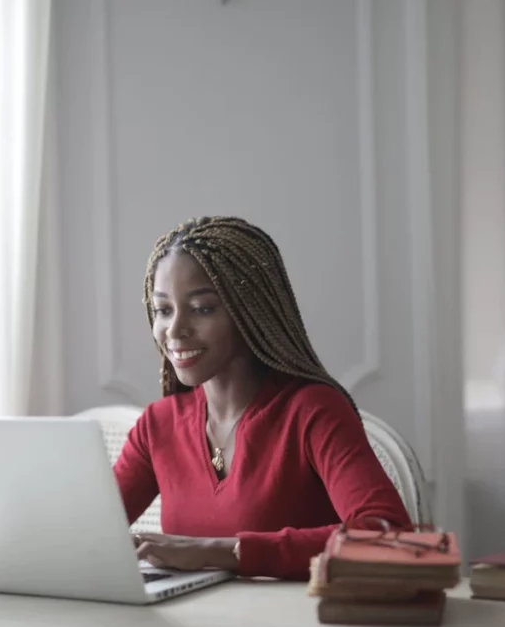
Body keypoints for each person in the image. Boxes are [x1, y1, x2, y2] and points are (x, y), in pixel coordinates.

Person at [113, 216, 412, 581]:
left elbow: (389, 537)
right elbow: (86, 532)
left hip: (297, 616)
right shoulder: (157, 425)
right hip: (189, 617)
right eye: (163, 310)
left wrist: (219, 552)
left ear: (249, 310)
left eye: (202, 308)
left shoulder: (313, 411)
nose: (175, 330)